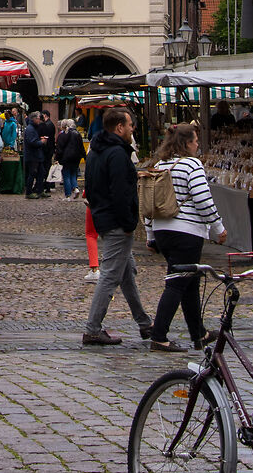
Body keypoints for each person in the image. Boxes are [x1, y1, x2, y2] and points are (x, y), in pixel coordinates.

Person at [142, 122, 223, 352]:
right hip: (186, 231)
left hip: (163, 230)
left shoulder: (160, 164)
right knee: (177, 283)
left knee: (190, 282)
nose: (198, 145)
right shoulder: (191, 165)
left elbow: (150, 202)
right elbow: (203, 199)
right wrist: (218, 228)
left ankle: (198, 333)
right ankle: (159, 336)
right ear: (187, 143)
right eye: (196, 141)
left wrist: (150, 234)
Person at [81, 108, 153, 346]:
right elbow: (121, 193)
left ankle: (144, 323)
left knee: (127, 273)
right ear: (119, 127)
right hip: (117, 223)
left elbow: (89, 188)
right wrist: (129, 222)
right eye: (131, 125)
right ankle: (92, 329)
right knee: (111, 275)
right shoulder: (118, 155)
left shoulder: (95, 151)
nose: (133, 129)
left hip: (104, 218)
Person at [55, 118, 87, 199]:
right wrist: (85, 156)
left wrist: (57, 158)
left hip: (66, 158)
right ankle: (75, 188)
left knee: (66, 176)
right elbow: (81, 147)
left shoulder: (62, 135)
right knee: (73, 174)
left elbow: (59, 148)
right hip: (76, 158)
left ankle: (68, 195)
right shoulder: (77, 134)